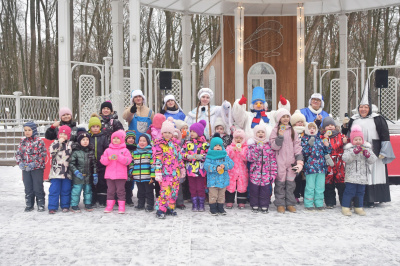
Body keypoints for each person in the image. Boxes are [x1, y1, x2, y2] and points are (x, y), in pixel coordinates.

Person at [342, 85, 395, 207]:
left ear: (370, 108)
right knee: (358, 175)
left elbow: (385, 135)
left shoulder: (378, 119)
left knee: (374, 174)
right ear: (358, 108)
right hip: (356, 153)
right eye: (361, 107)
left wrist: (384, 151)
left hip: (373, 152)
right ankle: (360, 199)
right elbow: (347, 134)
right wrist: (344, 128)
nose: (363, 109)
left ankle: (373, 198)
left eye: (366, 107)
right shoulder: (353, 119)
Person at [270, 109, 303, 213]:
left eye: (287, 116)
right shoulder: (275, 130)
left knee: (290, 184)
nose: (285, 118)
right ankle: (280, 203)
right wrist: (280, 136)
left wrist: (299, 159)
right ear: (279, 118)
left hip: (291, 162)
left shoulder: (293, 131)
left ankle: (290, 203)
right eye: (283, 116)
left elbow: (297, 146)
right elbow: (274, 146)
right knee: (280, 184)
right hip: (280, 161)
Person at [152, 119, 185, 219]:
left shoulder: (175, 145)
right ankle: (160, 209)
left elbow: (179, 158)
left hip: (175, 173)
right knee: (165, 191)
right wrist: (158, 172)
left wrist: (182, 169)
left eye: (169, 132)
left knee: (174, 191)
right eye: (165, 132)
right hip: (164, 173)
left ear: (172, 134)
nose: (167, 134)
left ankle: (170, 208)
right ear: (162, 133)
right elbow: (157, 159)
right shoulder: (159, 144)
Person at [342, 125, 377, 216]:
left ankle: (358, 207)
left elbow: (373, 160)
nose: (358, 141)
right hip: (351, 176)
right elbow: (345, 158)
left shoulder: (367, 148)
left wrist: (368, 155)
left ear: (362, 140)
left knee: (360, 192)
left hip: (362, 176)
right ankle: (346, 207)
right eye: (355, 139)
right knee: (349, 191)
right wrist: (354, 153)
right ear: (352, 140)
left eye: (359, 139)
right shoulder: (349, 149)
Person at [15, 121, 47, 212]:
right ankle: (29, 203)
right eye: (25, 130)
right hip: (26, 168)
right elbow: (18, 154)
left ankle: (41, 203)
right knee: (28, 186)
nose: (27, 132)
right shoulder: (23, 141)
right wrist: (20, 162)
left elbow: (42, 155)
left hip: (37, 168)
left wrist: (34, 164)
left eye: (29, 130)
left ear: (34, 131)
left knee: (37, 186)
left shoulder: (39, 141)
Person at [301, 122, 332, 211]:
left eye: (313, 128)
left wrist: (327, 145)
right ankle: (308, 203)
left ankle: (319, 203)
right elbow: (305, 153)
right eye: (310, 128)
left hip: (321, 167)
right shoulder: (304, 139)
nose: (312, 130)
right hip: (310, 168)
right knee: (310, 187)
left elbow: (327, 151)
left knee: (320, 187)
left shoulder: (320, 139)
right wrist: (309, 145)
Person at [247, 125, 277, 213]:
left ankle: (264, 205)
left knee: (265, 191)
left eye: (262, 132)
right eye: (258, 132)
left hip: (266, 174)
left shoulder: (269, 146)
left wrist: (273, 174)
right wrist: (257, 150)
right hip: (255, 174)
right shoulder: (252, 146)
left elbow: (273, 162)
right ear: (255, 134)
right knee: (254, 191)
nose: (260, 134)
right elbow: (249, 158)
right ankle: (254, 204)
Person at [100, 130, 132, 214]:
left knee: (120, 191)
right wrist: (108, 158)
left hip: (121, 175)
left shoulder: (125, 150)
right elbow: (102, 160)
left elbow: (128, 161)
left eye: (118, 138)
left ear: (122, 140)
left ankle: (121, 206)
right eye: (114, 138)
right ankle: (109, 205)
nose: (116, 140)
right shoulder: (108, 150)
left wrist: (120, 157)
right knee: (110, 190)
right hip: (109, 175)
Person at [181, 120, 209, 212]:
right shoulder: (187, 143)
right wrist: (187, 156)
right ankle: (194, 203)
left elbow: (208, 155)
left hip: (201, 170)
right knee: (192, 188)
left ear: (199, 133)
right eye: (191, 131)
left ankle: (201, 204)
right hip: (190, 170)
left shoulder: (205, 144)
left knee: (200, 187)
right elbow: (181, 154)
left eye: (194, 131)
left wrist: (201, 156)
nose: (192, 133)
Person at [204, 134, 234, 216]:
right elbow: (206, 166)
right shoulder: (209, 156)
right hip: (213, 181)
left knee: (221, 196)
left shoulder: (224, 155)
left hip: (223, 180)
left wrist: (225, 165)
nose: (218, 147)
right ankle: (213, 208)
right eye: (216, 145)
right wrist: (215, 168)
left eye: (219, 145)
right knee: (213, 195)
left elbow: (231, 163)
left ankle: (220, 208)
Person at [69, 129, 97, 213]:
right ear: (79, 141)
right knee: (76, 191)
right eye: (83, 140)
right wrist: (76, 172)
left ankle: (88, 204)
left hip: (88, 176)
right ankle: (74, 205)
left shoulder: (91, 152)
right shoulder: (75, 152)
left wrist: (95, 174)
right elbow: (71, 164)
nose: (85, 141)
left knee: (88, 191)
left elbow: (94, 164)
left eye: (87, 140)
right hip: (78, 177)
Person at [322, 117, 347, 209]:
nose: (330, 127)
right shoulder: (322, 136)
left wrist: (345, 141)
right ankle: (330, 202)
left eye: (332, 125)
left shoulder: (340, 135)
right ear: (324, 128)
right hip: (328, 164)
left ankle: (344, 201)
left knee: (341, 183)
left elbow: (346, 144)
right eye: (327, 125)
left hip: (339, 163)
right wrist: (324, 139)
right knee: (328, 184)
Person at [48, 125, 73, 214]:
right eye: (61, 134)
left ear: (68, 136)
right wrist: (59, 142)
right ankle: (52, 207)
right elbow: (51, 151)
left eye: (65, 134)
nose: (63, 136)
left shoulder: (70, 145)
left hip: (67, 172)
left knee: (66, 190)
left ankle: (65, 205)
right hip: (56, 172)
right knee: (54, 190)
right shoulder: (55, 143)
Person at [130, 133, 155, 212]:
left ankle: (150, 205)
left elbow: (153, 165)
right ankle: (141, 204)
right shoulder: (135, 152)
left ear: (148, 142)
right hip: (138, 177)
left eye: (144, 141)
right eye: (140, 141)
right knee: (140, 192)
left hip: (147, 178)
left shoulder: (150, 152)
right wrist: (131, 172)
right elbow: (131, 163)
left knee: (149, 192)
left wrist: (152, 176)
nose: (142, 142)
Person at [88, 115, 109, 207]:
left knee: (102, 182)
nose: (95, 128)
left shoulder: (103, 137)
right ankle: (93, 199)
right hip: (90, 164)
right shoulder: (88, 137)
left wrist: (105, 159)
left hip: (101, 164)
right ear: (90, 128)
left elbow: (106, 149)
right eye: (93, 127)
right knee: (92, 182)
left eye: (97, 126)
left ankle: (102, 200)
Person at [225, 129, 248, 209]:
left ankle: (241, 202)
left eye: (240, 138)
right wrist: (233, 150)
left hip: (242, 171)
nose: (238, 140)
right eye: (236, 138)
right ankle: (229, 201)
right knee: (230, 186)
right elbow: (227, 156)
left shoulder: (246, 148)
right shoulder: (230, 147)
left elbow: (246, 158)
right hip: (232, 171)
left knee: (242, 186)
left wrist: (241, 151)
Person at [290, 110, 307, 203]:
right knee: (296, 178)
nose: (300, 123)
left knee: (304, 178)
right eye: (298, 121)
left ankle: (305, 195)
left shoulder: (306, 131)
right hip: (295, 158)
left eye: (301, 121)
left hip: (306, 158)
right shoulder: (292, 132)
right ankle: (295, 195)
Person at [125, 130, 137, 207]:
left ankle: (129, 199)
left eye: (132, 138)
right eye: (129, 138)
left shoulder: (136, 148)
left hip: (133, 170)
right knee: (123, 186)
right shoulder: (124, 148)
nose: (131, 139)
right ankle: (123, 199)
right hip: (124, 170)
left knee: (130, 185)